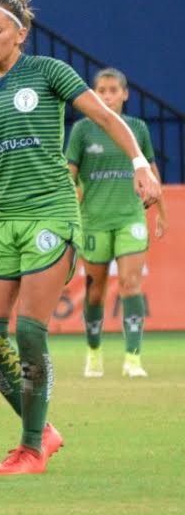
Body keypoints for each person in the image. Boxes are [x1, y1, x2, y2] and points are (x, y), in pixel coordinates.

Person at [0, 0, 162, 476]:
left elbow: (105, 117)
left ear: (21, 33)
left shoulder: (47, 72)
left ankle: (30, 449)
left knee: (30, 332)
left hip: (51, 214)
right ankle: (44, 430)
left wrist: (140, 164)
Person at [67, 68, 168, 379]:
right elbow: (69, 177)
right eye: (101, 90)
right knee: (95, 293)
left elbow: (149, 170)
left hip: (130, 218)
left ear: (125, 94)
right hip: (94, 221)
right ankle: (94, 352)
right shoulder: (83, 130)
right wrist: (68, 215)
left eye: (113, 90)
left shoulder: (137, 128)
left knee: (130, 285)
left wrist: (161, 211)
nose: (107, 96)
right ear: (94, 95)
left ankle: (133, 358)